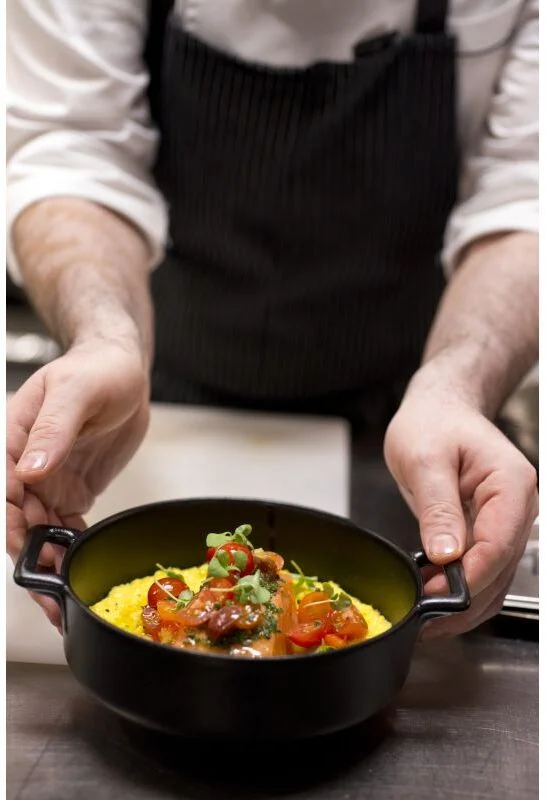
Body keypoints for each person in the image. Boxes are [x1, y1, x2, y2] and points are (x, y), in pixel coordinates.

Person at [7, 0, 538, 637]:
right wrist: (104, 337)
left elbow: (525, 195)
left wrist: (457, 386)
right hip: (149, 397)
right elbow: (72, 152)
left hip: (415, 423)